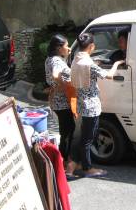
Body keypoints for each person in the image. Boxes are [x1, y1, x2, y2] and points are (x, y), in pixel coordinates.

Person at [71, 33, 124, 177]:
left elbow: (87, 71)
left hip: (82, 103)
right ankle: (87, 168)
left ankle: (79, 163)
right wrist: (117, 64)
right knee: (88, 139)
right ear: (92, 46)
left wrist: (96, 65)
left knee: (86, 136)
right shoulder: (89, 64)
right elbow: (109, 75)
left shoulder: (76, 60)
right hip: (91, 106)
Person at [44, 34, 76, 174]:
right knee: (67, 131)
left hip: (57, 101)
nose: (68, 48)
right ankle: (63, 162)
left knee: (66, 129)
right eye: (66, 45)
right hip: (62, 102)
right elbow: (56, 74)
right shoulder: (56, 61)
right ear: (58, 48)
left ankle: (64, 160)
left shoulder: (50, 59)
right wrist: (63, 84)